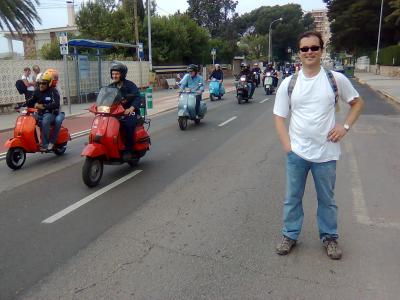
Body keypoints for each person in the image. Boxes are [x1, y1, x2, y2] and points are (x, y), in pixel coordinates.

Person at [273, 31, 364, 260]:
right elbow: (279, 116)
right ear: (299, 54)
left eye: (314, 48)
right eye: (305, 49)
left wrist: (345, 127)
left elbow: (357, 103)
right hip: (298, 154)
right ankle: (290, 234)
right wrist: (288, 146)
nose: (310, 52)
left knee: (327, 200)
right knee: (292, 198)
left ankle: (330, 238)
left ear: (321, 51)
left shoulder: (335, 79)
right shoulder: (289, 83)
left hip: (326, 153)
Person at [108, 62, 141, 160]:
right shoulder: (111, 87)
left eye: (117, 74)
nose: (114, 76)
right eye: (113, 74)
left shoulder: (130, 85)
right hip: (115, 112)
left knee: (128, 124)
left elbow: (137, 97)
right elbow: (105, 98)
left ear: (122, 74)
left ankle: (128, 149)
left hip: (130, 111)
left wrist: (131, 108)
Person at [26, 69, 65, 151]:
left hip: (51, 113)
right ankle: (32, 141)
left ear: (49, 83)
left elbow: (56, 104)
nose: (41, 85)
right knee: (29, 120)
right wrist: (21, 106)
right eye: (39, 83)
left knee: (45, 120)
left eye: (43, 83)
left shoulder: (53, 91)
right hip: (40, 113)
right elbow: (31, 100)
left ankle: (45, 144)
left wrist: (43, 106)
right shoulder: (37, 91)